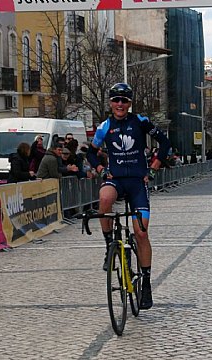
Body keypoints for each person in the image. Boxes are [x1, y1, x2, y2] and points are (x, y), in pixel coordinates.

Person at [86, 83, 171, 310]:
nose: (120, 104)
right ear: (111, 103)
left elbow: (164, 143)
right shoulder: (105, 126)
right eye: (116, 100)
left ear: (130, 103)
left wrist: (153, 168)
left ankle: (146, 283)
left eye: (124, 100)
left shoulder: (140, 121)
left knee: (141, 234)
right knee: (104, 199)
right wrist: (102, 171)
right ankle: (108, 246)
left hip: (137, 182)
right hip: (116, 180)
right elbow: (90, 153)